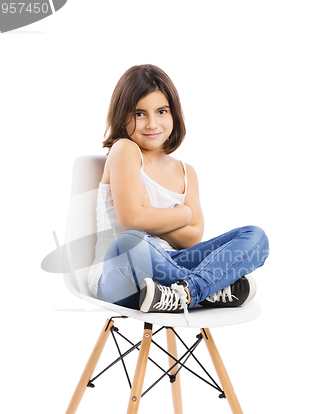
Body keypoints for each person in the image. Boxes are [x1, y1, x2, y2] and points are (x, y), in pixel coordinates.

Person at [87, 64, 269, 320]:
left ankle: (188, 292)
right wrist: (182, 214)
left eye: (161, 111)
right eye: (139, 113)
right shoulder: (125, 150)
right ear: (122, 115)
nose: (152, 123)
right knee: (132, 242)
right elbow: (133, 222)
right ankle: (208, 289)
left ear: (174, 114)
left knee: (256, 237)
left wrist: (151, 214)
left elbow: (194, 238)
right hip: (122, 272)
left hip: (171, 269)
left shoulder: (186, 172)